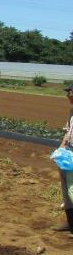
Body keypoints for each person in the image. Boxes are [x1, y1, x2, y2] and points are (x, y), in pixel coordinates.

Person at [58, 82, 73, 231]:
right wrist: (60, 150)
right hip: (68, 153)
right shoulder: (72, 112)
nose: (68, 96)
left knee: (72, 189)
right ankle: (70, 222)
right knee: (66, 189)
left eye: (71, 92)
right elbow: (68, 133)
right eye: (68, 93)